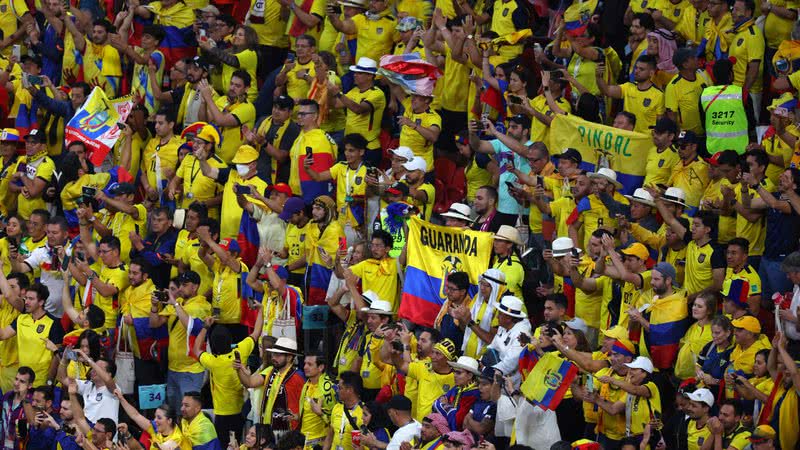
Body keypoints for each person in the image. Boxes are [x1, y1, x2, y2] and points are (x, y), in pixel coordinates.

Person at [149, 271, 212, 412]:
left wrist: (176, 304)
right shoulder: (178, 303)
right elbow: (154, 323)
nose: (180, 289)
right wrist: (154, 306)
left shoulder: (201, 305)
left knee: (189, 412)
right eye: (180, 285)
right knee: (174, 412)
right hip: (173, 368)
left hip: (191, 370)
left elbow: (190, 326)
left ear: (195, 287)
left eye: (185, 285)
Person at [0, 283, 63, 387]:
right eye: (26, 298)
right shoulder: (21, 319)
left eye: (31, 299)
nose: (26, 302)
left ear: (41, 302)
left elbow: (57, 357)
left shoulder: (53, 323)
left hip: (41, 381)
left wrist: (50, 381)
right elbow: (2, 335)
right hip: (22, 379)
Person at [237, 337, 305, 432]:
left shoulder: (298, 377)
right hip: (268, 428)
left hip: (288, 429)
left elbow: (305, 406)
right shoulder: (270, 371)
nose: (273, 357)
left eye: (278, 355)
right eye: (273, 354)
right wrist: (238, 370)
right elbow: (249, 383)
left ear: (289, 357)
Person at [327, 371, 365, 450]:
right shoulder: (337, 407)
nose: (337, 391)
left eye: (340, 388)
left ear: (350, 390)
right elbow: (330, 436)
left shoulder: (364, 412)